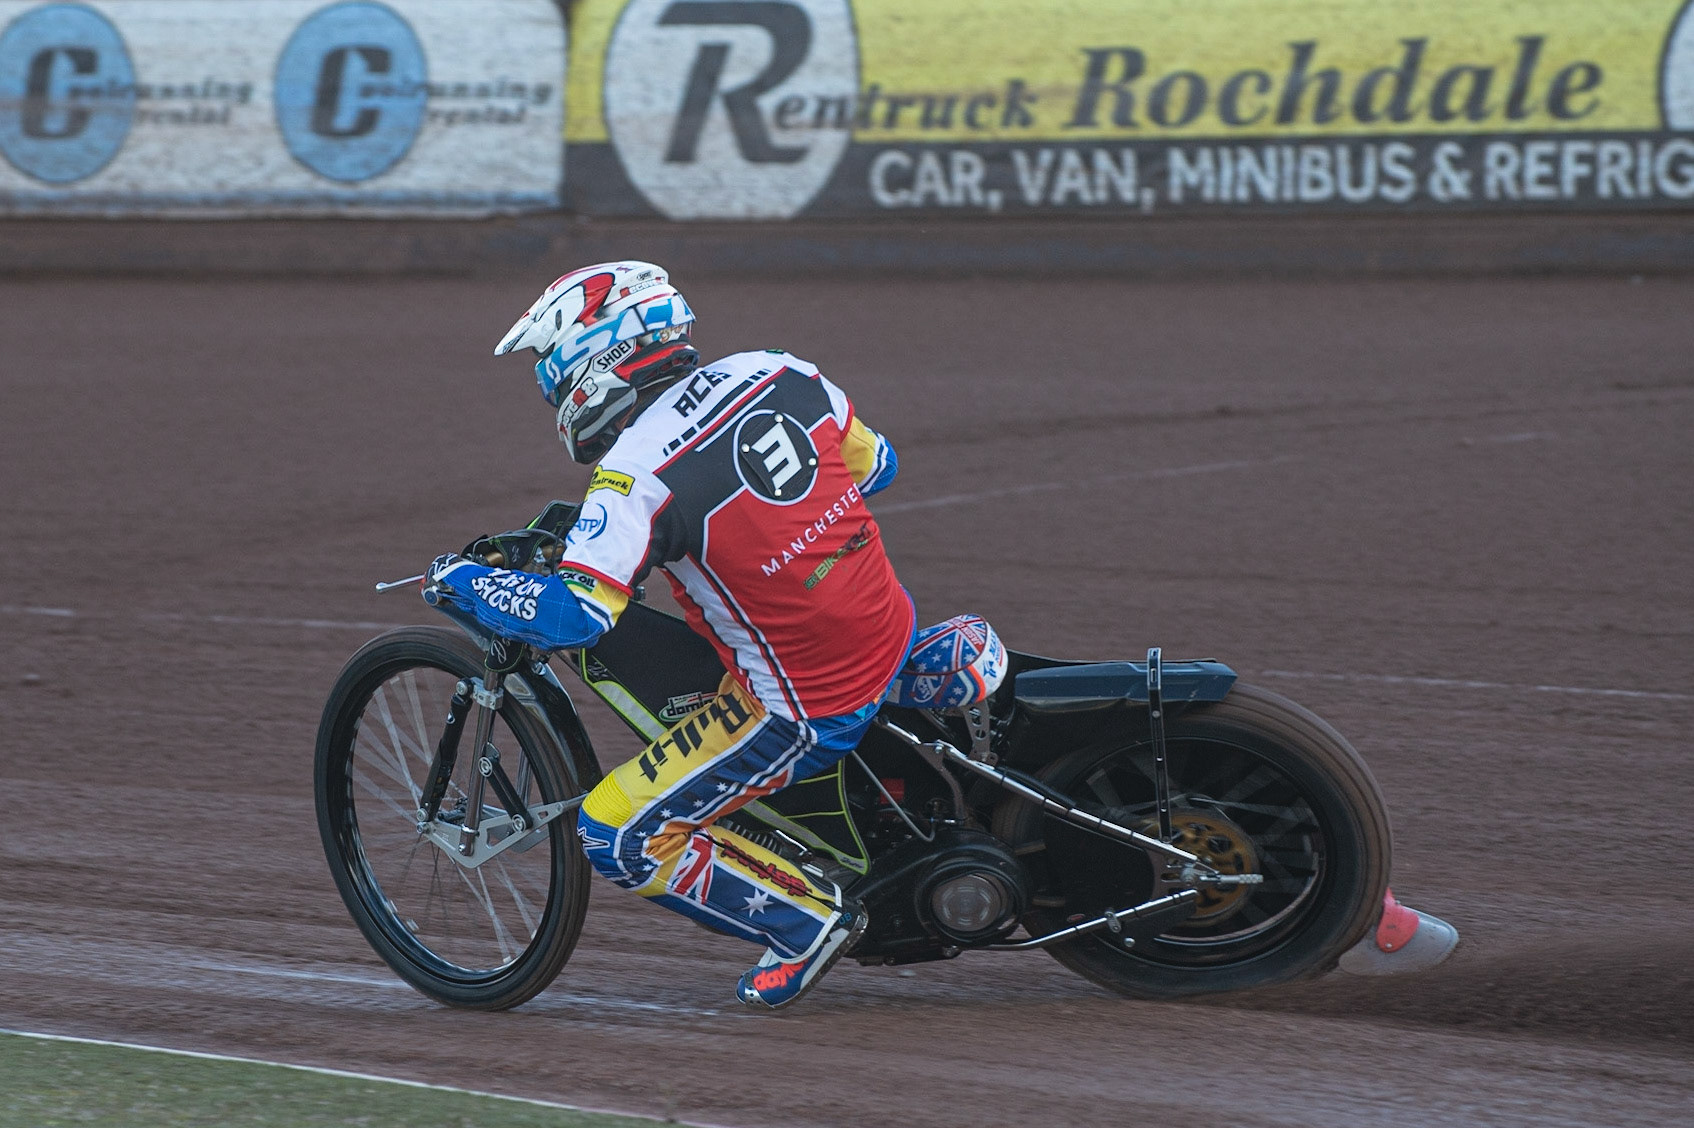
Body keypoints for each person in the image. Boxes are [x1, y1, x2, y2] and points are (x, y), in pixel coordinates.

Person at [425, 261, 918, 1009]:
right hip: (889, 630)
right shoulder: (779, 371)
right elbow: (874, 466)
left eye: (550, 366)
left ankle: (806, 921)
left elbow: (575, 618)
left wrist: (458, 581)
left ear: (597, 353)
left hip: (801, 704)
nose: (549, 388)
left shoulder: (632, 477)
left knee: (615, 832)